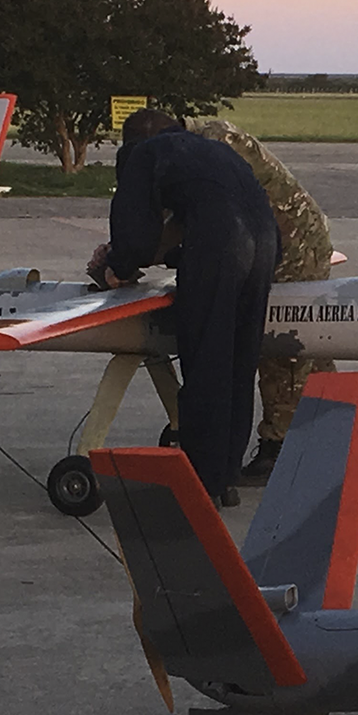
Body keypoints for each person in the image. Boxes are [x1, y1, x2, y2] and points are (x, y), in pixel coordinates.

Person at [90, 109, 278, 508]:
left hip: (224, 242)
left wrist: (116, 268)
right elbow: (210, 210)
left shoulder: (143, 155)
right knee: (237, 363)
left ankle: (198, 486)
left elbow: (135, 232)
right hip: (264, 243)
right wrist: (180, 254)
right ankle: (225, 478)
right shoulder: (210, 150)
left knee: (206, 362)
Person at [189, 120, 338, 487]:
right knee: (309, 345)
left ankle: (280, 446)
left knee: (282, 347)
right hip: (295, 236)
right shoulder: (212, 135)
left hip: (291, 247)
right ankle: (331, 430)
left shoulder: (209, 150)